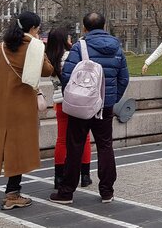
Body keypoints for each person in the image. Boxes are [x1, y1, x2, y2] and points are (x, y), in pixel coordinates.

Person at [50, 13, 129, 204]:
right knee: (105, 146)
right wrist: (111, 99)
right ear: (104, 26)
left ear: (85, 28)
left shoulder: (80, 47)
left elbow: (67, 76)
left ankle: (66, 192)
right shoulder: (117, 48)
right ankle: (107, 191)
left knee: (74, 146)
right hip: (105, 106)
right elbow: (124, 78)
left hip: (82, 106)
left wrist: (76, 97)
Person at [0, 11, 54, 210]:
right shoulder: (34, 47)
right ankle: (12, 194)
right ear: (33, 28)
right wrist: (40, 47)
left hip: (2, 107)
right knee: (17, 150)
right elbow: (48, 70)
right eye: (37, 28)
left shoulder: (0, 47)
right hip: (22, 108)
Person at [45, 28, 92, 190]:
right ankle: (85, 175)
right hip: (77, 101)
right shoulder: (72, 55)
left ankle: (58, 177)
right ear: (65, 40)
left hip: (60, 103)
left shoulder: (50, 59)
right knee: (84, 137)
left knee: (62, 140)